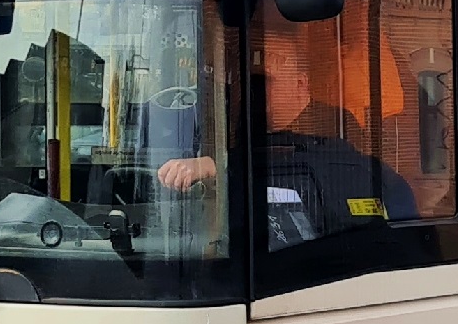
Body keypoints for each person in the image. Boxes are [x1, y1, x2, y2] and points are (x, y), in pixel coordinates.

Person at [157, 23, 422, 254]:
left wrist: (218, 165)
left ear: (300, 83)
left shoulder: (330, 123)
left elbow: (309, 162)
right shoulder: (245, 125)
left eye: (265, 81)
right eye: (247, 81)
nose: (252, 91)